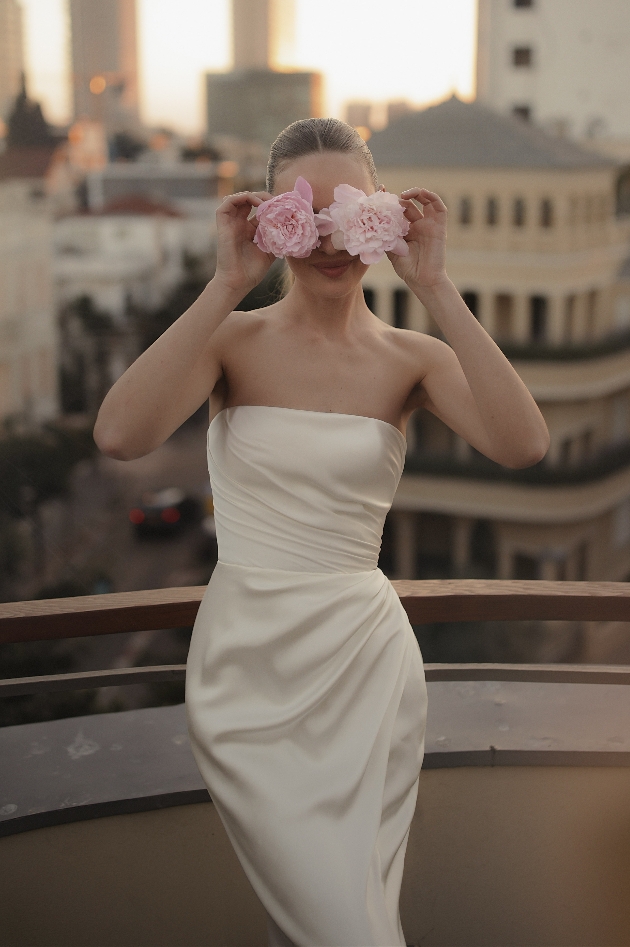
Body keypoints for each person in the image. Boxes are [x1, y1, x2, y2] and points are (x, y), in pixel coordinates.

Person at [94, 118, 549, 947]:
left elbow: (525, 444)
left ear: (383, 216)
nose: (331, 241)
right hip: (248, 675)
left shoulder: (412, 358)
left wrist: (438, 286)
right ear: (273, 218)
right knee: (335, 922)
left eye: (352, 215)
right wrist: (226, 282)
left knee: (349, 916)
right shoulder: (229, 340)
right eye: (308, 215)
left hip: (366, 671)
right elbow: (121, 434)